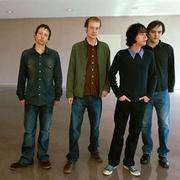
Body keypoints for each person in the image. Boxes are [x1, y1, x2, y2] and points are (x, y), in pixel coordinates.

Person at [103, 23, 157, 176]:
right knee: (118, 132)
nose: (146, 37)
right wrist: (119, 94)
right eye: (142, 34)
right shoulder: (121, 55)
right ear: (133, 37)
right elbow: (111, 75)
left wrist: (149, 95)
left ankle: (129, 162)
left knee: (134, 133)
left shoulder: (149, 55)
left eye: (146, 34)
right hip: (124, 102)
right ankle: (112, 162)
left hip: (140, 103)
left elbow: (154, 76)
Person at [10, 24, 63, 170]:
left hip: (48, 99)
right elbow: (22, 76)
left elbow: (58, 77)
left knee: (45, 130)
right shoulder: (26, 54)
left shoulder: (54, 55)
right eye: (40, 33)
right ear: (35, 35)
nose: (42, 36)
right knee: (29, 130)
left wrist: (57, 95)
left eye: (45, 35)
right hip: (31, 99)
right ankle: (26, 158)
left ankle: (43, 156)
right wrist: (21, 94)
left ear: (48, 38)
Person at [63, 16, 110, 174]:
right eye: (91, 27)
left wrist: (106, 87)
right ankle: (72, 157)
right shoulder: (76, 47)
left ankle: (94, 149)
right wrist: (69, 92)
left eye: (97, 28)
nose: (94, 31)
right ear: (86, 29)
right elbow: (71, 71)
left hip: (96, 96)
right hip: (79, 96)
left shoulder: (105, 48)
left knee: (95, 127)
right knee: (74, 128)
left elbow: (108, 70)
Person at [140, 20, 175, 168]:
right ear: (148, 32)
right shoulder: (141, 49)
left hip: (162, 93)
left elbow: (172, 69)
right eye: (153, 31)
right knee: (145, 124)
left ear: (162, 33)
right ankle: (147, 151)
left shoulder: (168, 49)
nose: (156, 34)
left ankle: (163, 154)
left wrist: (170, 88)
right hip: (145, 94)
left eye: (159, 32)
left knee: (164, 124)